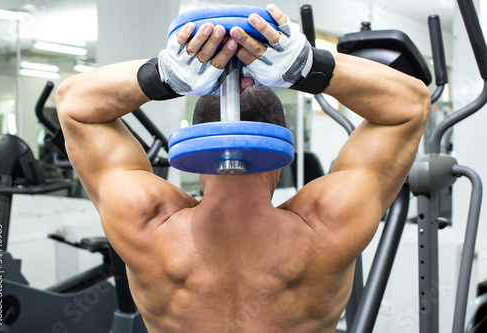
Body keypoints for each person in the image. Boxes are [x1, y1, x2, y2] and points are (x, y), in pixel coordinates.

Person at [56, 4, 430, 332]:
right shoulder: (327, 225)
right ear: (280, 148)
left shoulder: (148, 223)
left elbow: (73, 103)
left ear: (199, 147)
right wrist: (307, 65)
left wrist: (166, 74)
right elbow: (411, 104)